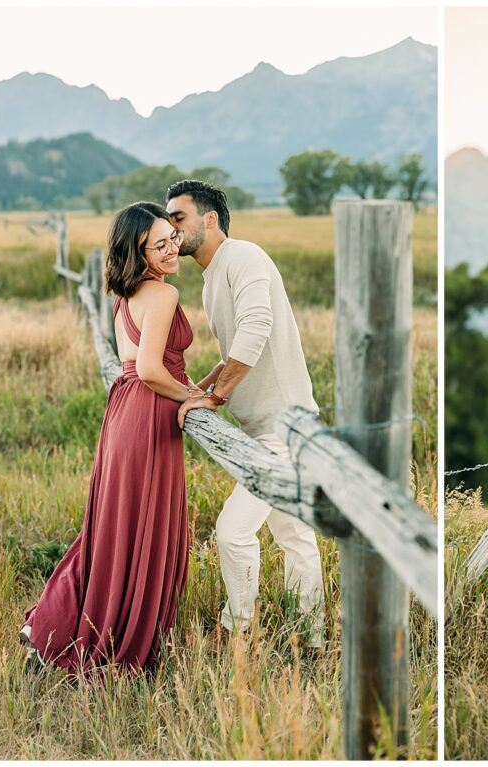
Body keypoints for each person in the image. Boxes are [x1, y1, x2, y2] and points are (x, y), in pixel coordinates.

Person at [21, 202, 197, 678]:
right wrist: (195, 398)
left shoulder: (126, 294)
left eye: (173, 238)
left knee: (114, 530)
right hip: (148, 415)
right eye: (159, 245)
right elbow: (151, 369)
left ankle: (52, 625)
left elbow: (135, 365)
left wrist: (191, 389)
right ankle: (107, 638)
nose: (172, 249)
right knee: (138, 531)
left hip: (126, 412)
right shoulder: (162, 294)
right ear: (138, 253)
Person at [167, 179, 326, 648]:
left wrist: (214, 399)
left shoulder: (243, 257)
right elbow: (234, 351)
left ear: (209, 218)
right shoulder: (211, 276)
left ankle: (236, 630)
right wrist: (200, 388)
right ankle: (312, 640)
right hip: (263, 430)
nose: (172, 229)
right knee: (293, 535)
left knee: (233, 532)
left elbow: (257, 326)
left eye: (179, 218)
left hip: (287, 428)